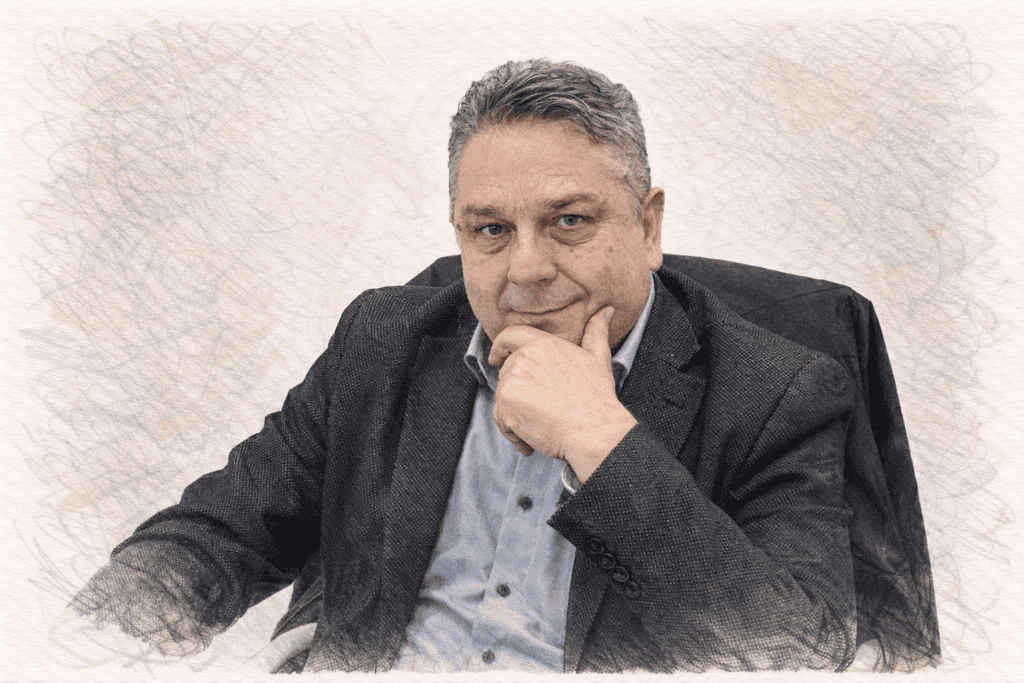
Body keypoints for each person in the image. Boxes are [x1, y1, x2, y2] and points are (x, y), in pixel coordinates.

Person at [67, 59, 860, 673]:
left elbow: (796, 653)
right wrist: (78, 648)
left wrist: (601, 443)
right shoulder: (385, 341)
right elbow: (220, 533)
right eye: (490, 230)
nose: (527, 270)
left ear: (648, 227)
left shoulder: (777, 393)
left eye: (569, 221)